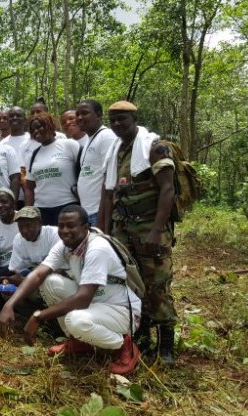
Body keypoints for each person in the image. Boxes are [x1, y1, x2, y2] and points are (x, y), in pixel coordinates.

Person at [0, 205, 142, 375]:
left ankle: (124, 345)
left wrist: (38, 316)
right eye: (61, 225)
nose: (65, 231)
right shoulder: (66, 246)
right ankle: (80, 341)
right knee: (49, 282)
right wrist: (10, 305)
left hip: (120, 310)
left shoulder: (97, 248)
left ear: (85, 227)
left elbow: (83, 298)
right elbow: (38, 275)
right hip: (96, 304)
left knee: (74, 320)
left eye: (71, 225)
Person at [98, 100, 177, 365]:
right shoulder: (115, 151)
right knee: (131, 282)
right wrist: (105, 232)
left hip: (149, 228)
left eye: (122, 119)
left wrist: (156, 230)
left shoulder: (154, 147)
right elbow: (109, 195)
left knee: (157, 284)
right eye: (113, 121)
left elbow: (167, 190)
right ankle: (142, 333)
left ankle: (167, 343)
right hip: (124, 229)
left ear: (134, 119)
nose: (118, 124)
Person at [25, 112, 80, 225]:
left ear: (50, 125)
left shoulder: (69, 145)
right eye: (33, 130)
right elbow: (29, 188)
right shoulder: (33, 155)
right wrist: (28, 212)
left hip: (68, 205)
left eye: (39, 126)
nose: (36, 131)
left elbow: (82, 172)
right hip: (42, 209)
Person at [75, 100, 117, 227]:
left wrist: (102, 218)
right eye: (77, 114)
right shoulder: (89, 139)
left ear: (98, 115)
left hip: (99, 212)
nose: (80, 117)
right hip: (87, 212)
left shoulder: (106, 137)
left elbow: (109, 179)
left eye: (85, 113)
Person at [6, 206, 60, 286]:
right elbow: (16, 269)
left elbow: (59, 269)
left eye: (28, 225)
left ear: (39, 222)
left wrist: (26, 281)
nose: (24, 231)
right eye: (21, 227)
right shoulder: (18, 239)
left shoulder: (54, 234)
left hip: (55, 276)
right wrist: (9, 280)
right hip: (33, 274)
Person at [0, 106, 32, 204]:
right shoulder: (2, 144)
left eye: (18, 115)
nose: (14, 118)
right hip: (10, 196)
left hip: (33, 195)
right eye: (11, 116)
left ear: (25, 120)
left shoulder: (33, 139)